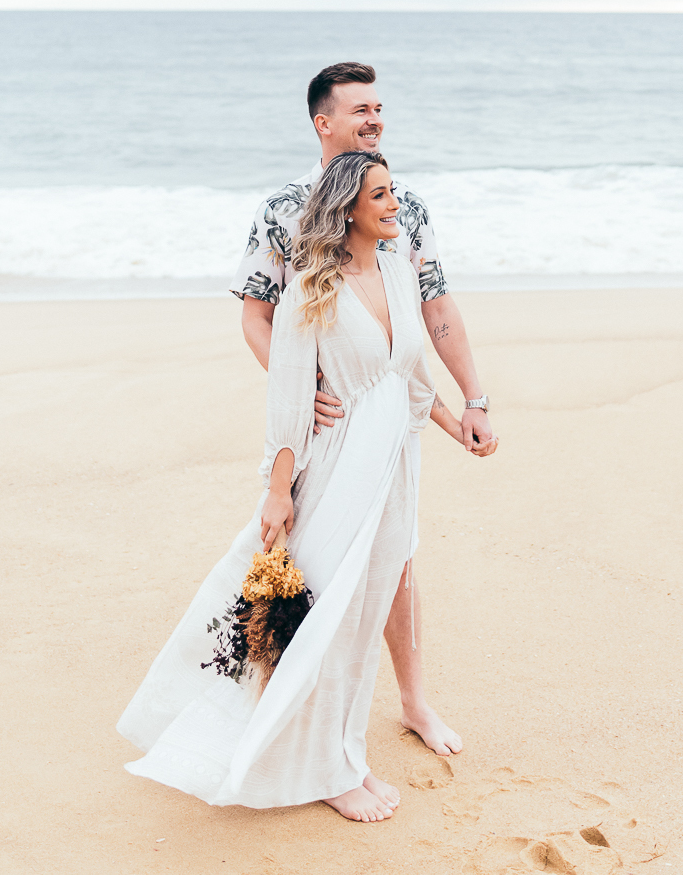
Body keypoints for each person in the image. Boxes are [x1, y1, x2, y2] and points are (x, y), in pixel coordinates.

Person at [119, 151, 481, 821]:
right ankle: (325, 771)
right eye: (380, 196)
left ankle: (343, 756)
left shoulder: (399, 270)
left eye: (393, 191)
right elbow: (287, 408)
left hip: (395, 469)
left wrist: (457, 422)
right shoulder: (308, 291)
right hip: (336, 471)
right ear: (348, 209)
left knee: (366, 614)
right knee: (329, 624)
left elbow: (412, 370)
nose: (395, 205)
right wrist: (278, 493)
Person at [232, 59, 495, 758]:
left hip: (390, 418)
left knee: (397, 564)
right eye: (359, 110)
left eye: (379, 108)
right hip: (326, 424)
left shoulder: (404, 206)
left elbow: (432, 309)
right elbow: (260, 317)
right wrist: (301, 389)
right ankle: (298, 725)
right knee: (319, 569)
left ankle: (412, 703)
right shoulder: (281, 210)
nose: (374, 119)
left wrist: (471, 400)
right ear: (323, 122)